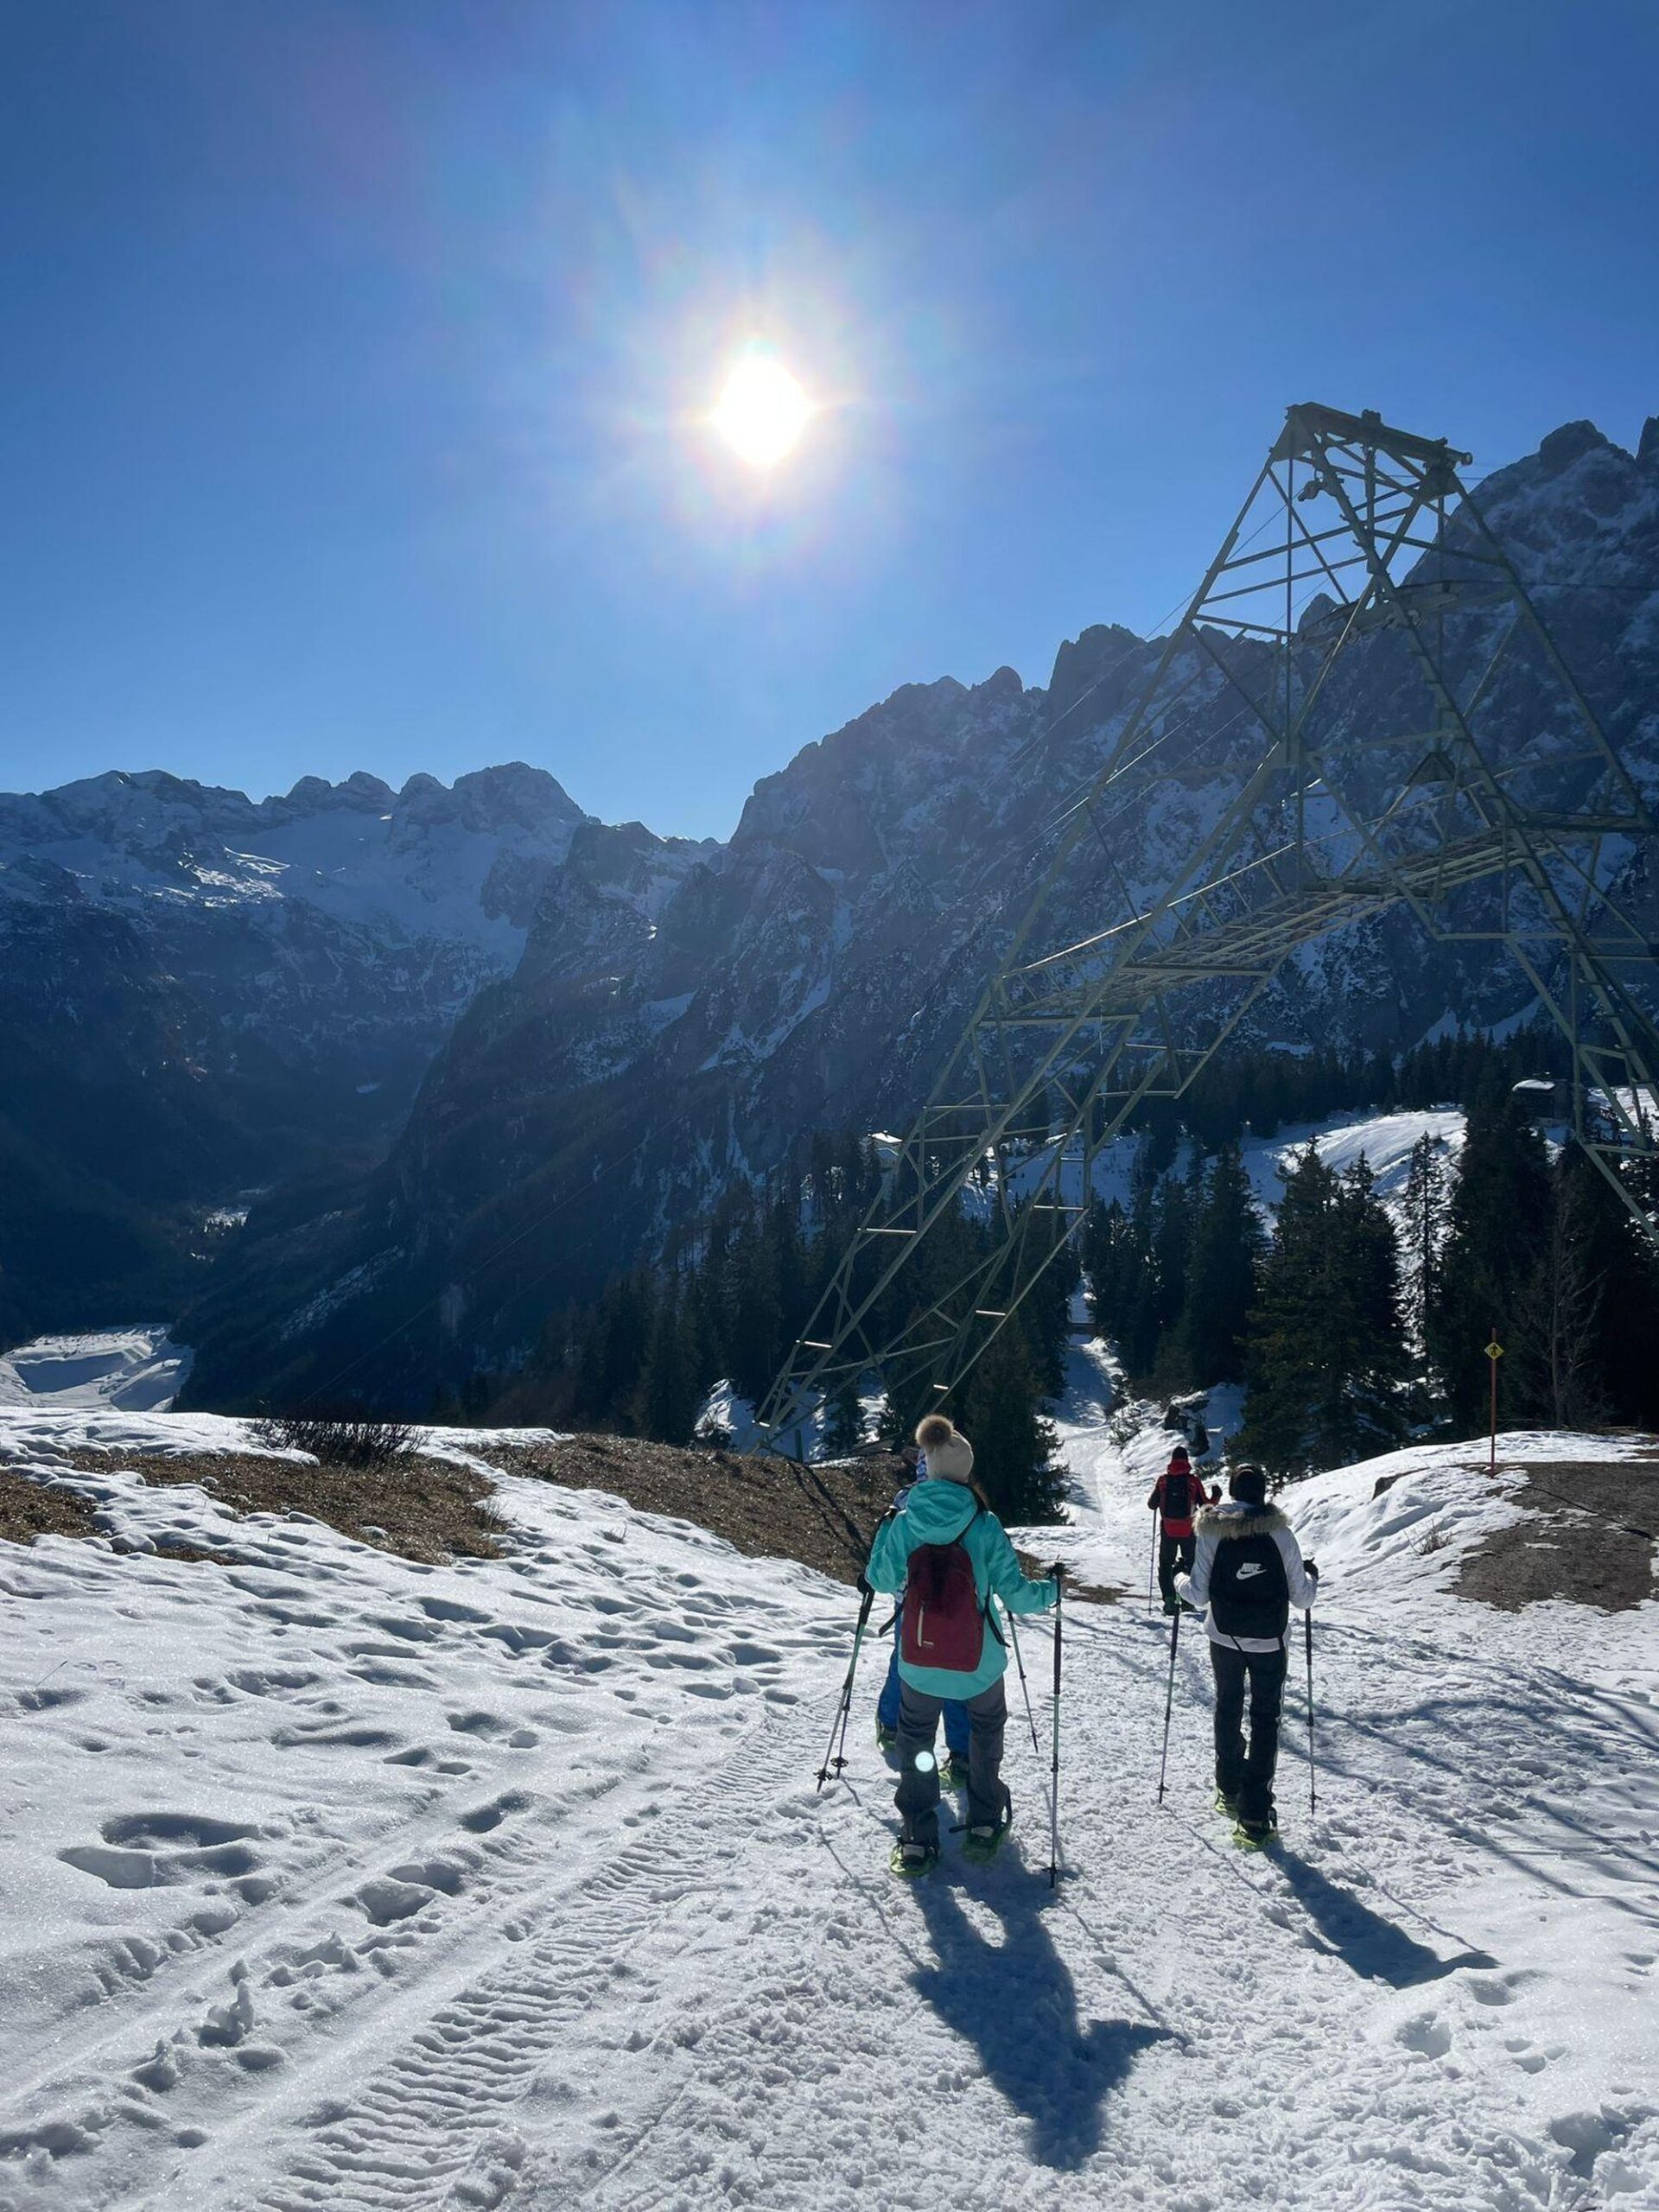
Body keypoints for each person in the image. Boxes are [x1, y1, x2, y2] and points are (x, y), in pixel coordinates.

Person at [866, 1413, 1058, 1877]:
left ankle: (916, 1837)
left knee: (915, 1738)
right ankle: (984, 1821)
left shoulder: (905, 1521)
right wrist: (1052, 1590)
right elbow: (1016, 1595)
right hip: (978, 1661)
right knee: (986, 1731)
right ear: (965, 1473)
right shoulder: (984, 1523)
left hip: (918, 1658)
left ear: (928, 1468)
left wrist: (885, 1535)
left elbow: (880, 1578)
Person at [1177, 1464, 1319, 1848]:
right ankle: (1256, 1814)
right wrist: (1313, 1577)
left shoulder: (1211, 1530)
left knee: (1227, 1707)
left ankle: (1228, 1788)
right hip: (1271, 1641)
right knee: (1265, 1719)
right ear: (1263, 1493)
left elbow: (1198, 1595)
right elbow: (1302, 1597)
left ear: (1234, 1492)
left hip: (1223, 1636)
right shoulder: (1280, 1533)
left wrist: (1177, 1579)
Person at [874, 1445, 970, 1781]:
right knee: (956, 1672)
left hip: (910, 1604)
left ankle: (890, 1724)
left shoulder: (901, 1507)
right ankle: (962, 1755)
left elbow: (881, 1571)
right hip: (960, 1609)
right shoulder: (969, 1506)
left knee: (905, 1662)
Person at [1147, 1443, 1213, 1616]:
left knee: (1166, 1564)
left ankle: (1169, 1600)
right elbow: (1206, 1505)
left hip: (1168, 1529)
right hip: (1189, 1529)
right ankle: (1187, 1601)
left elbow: (1151, 1504)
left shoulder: (1163, 1480)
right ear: (1186, 1460)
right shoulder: (1193, 1481)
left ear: (1172, 1460)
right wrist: (1217, 1496)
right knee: (1190, 1563)